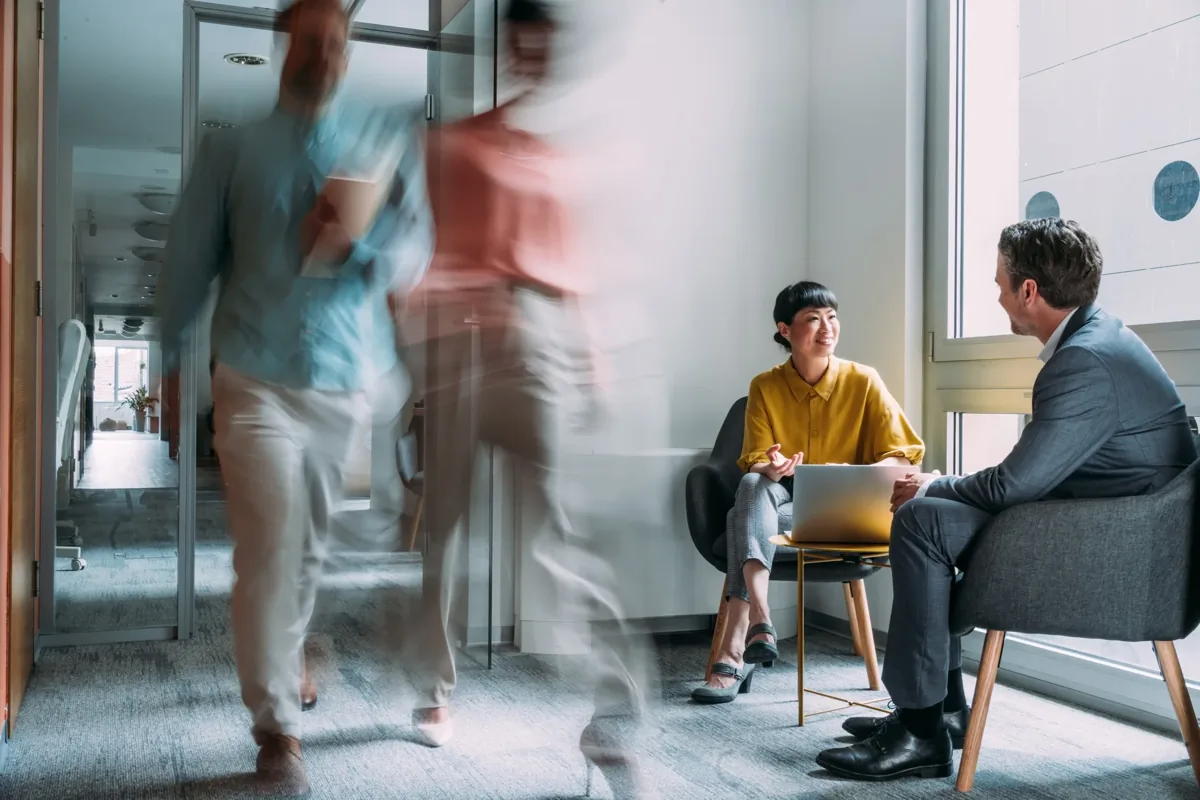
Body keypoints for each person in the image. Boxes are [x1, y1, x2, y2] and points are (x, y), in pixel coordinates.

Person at [158, 0, 432, 794]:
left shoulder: (384, 146)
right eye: (310, 40)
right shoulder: (233, 150)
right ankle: (277, 728)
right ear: (283, 44)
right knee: (272, 549)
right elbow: (186, 261)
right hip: (253, 380)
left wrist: (361, 244)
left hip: (345, 381)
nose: (324, 54)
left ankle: (289, 656)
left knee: (304, 552)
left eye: (337, 42)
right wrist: (172, 359)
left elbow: (417, 249)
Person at [815, 218, 1199, 782]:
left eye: (999, 283)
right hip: (1113, 523)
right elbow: (1032, 475)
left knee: (922, 518)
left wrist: (932, 483)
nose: (996, 295)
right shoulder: (1100, 338)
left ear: (1029, 291)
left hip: (1118, 547)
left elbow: (1015, 485)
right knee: (928, 518)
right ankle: (939, 712)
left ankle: (921, 729)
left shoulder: (1084, 362)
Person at [400, 0, 652, 794]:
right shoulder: (453, 144)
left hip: (529, 347)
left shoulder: (555, 161)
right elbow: (434, 253)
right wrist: (418, 345)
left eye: (548, 46)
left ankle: (612, 711)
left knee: (555, 531)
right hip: (456, 349)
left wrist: (593, 361)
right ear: (510, 48)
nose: (536, 56)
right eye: (526, 43)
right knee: (442, 533)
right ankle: (435, 691)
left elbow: (569, 274)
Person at [692, 281, 925, 703]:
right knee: (750, 485)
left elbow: (905, 456)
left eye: (832, 317)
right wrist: (773, 466)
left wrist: (856, 473)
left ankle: (736, 644)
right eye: (812, 319)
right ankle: (761, 616)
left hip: (842, 512)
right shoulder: (765, 385)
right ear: (785, 330)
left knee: (739, 522)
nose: (826, 328)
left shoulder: (864, 382)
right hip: (781, 501)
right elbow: (754, 461)